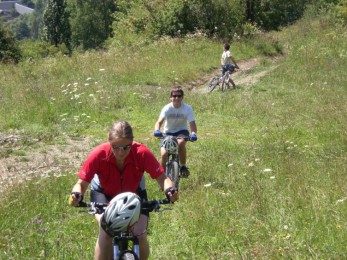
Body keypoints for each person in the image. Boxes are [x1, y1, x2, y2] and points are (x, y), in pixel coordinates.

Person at [69, 120, 178, 260]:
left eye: (126, 147)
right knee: (106, 232)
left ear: (132, 142)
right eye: (115, 147)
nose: (121, 152)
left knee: (140, 233)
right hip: (104, 194)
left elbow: (162, 178)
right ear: (109, 142)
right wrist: (76, 195)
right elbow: (81, 184)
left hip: (135, 195)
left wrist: (170, 190)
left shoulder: (142, 153)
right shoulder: (98, 154)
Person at [154, 85, 197, 178]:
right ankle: (162, 176)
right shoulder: (167, 108)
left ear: (182, 97)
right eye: (174, 96)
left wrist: (193, 133)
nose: (176, 98)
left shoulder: (187, 108)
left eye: (178, 96)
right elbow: (159, 122)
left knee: (181, 143)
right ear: (170, 97)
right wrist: (157, 130)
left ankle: (182, 166)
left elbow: (192, 123)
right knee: (164, 154)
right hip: (167, 133)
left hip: (182, 131)